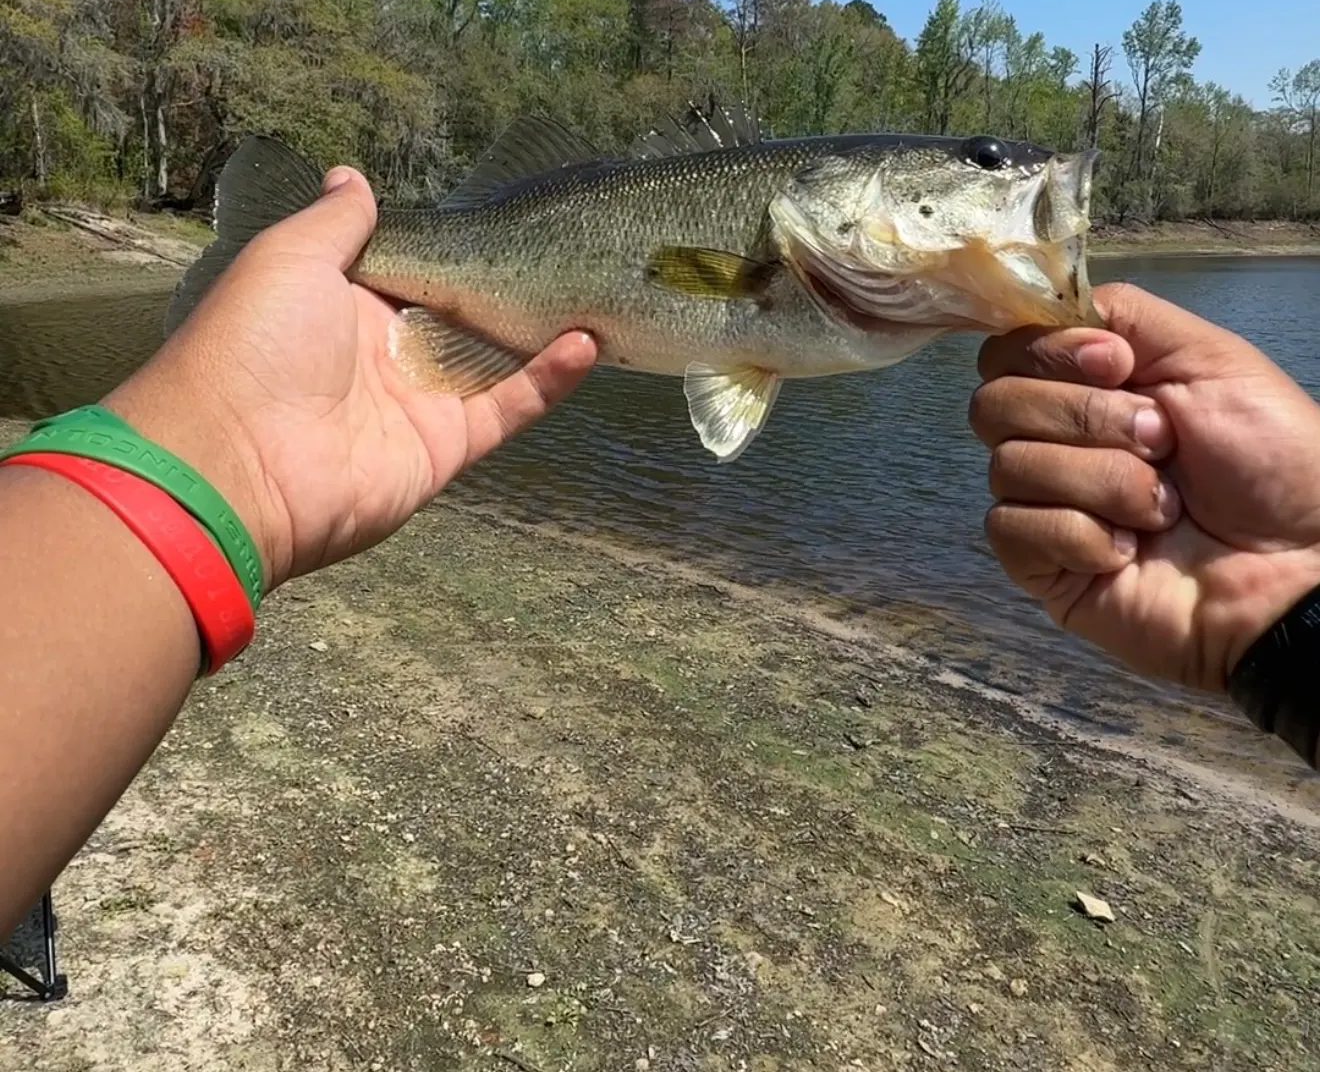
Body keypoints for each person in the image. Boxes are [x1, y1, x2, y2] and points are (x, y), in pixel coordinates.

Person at [1, 164, 1317, 939]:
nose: (996, 195)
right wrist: (220, 429)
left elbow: (720, 304)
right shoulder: (761, 265)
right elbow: (714, 286)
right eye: (952, 182)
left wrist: (1288, 615)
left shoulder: (822, 295)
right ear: (830, 214)